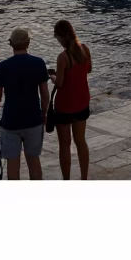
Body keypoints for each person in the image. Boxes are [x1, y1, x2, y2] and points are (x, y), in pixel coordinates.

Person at [0, 28, 50, 180]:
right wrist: (44, 114)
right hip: (33, 120)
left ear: (11, 45)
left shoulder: (3, 66)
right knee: (34, 163)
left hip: (10, 122)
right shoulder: (39, 63)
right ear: (28, 43)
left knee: (13, 167)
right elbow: (44, 94)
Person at [51, 20, 92, 180]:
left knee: (65, 145)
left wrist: (52, 76)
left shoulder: (63, 57)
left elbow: (60, 83)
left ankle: (66, 180)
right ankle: (84, 178)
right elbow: (88, 69)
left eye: (57, 38)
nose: (58, 42)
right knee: (81, 142)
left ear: (62, 37)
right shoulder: (85, 50)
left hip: (64, 106)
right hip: (82, 102)